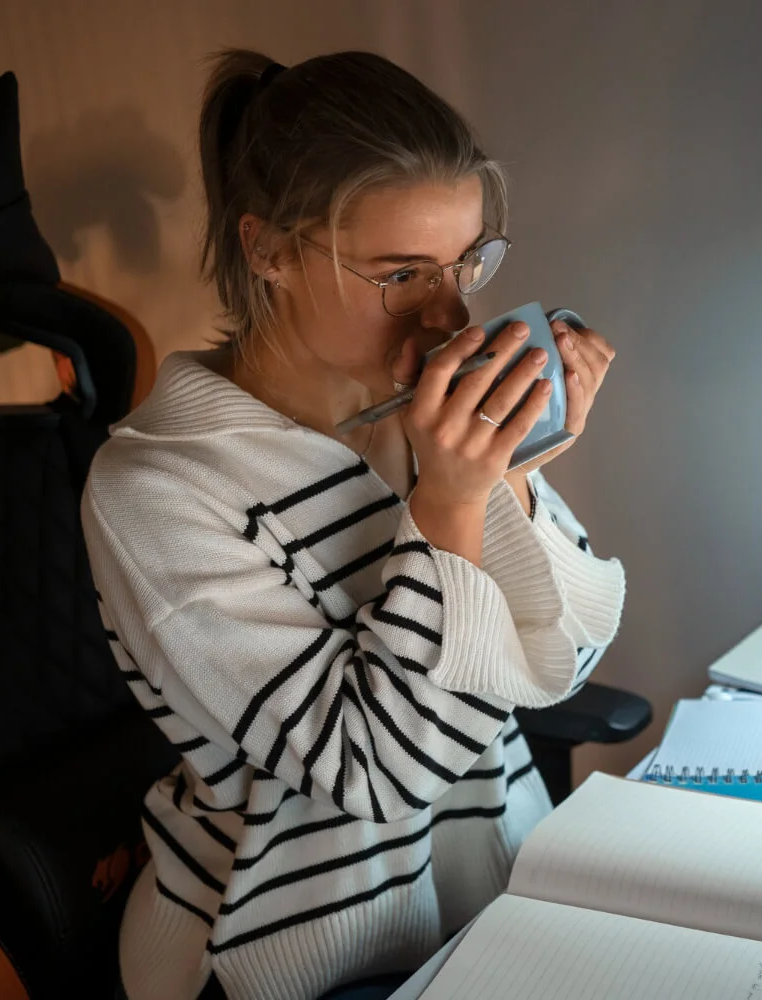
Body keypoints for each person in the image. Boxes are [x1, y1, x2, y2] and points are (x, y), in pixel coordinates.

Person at [81, 48, 625, 1000]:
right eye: (402, 272)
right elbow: (378, 775)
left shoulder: (419, 416)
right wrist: (452, 503)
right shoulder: (156, 489)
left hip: (492, 896)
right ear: (268, 252)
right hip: (302, 946)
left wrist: (516, 480)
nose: (450, 310)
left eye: (464, 262)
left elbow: (561, 664)